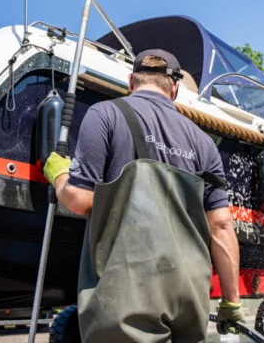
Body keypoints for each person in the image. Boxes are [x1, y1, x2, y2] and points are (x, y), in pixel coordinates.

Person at [43, 49, 243, 342]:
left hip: (129, 288)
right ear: (174, 87)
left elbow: (81, 200)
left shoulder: (105, 114)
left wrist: (59, 175)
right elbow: (222, 226)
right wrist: (231, 301)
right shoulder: (204, 143)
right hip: (189, 293)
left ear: (130, 81)